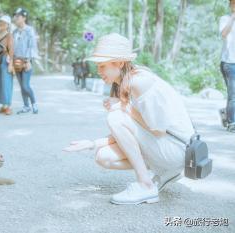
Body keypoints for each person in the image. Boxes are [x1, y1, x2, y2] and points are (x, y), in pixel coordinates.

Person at [63, 33, 195, 205]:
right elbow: (131, 133)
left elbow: (157, 129)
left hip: (177, 149)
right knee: (103, 156)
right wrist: (92, 143)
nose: (98, 71)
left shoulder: (140, 81)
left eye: (102, 66)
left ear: (119, 62)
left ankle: (146, 185)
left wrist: (122, 107)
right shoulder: (124, 83)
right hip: (165, 147)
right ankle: (165, 173)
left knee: (116, 116)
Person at [13, 8, 39, 114]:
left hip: (26, 60)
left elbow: (32, 46)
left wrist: (28, 60)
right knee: (21, 86)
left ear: (24, 18)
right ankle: (26, 106)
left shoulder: (29, 30)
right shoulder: (14, 31)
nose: (15, 18)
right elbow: (12, 47)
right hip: (16, 61)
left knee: (25, 85)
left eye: (18, 16)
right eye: (15, 16)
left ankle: (34, 103)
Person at [219, 0, 235, 132]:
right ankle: (232, 122)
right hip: (229, 63)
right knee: (233, 95)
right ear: (230, 5)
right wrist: (233, 17)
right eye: (234, 3)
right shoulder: (225, 19)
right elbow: (224, 34)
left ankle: (226, 113)